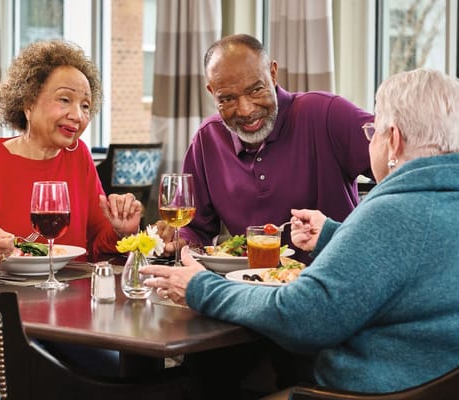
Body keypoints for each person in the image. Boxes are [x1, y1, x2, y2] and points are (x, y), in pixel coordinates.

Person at [142, 68, 459, 395]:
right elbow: (411, 264)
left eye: (374, 130)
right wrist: (333, 235)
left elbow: (302, 320)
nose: (370, 139)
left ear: (393, 140)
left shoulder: (394, 211)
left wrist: (198, 287)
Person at [0, 39, 141, 274]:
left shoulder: (79, 156)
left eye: (85, 106)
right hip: (10, 302)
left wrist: (121, 231)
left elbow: (97, 246)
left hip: (73, 298)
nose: (77, 115)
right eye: (65, 100)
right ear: (28, 104)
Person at [155, 34, 373, 263]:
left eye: (255, 90)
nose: (246, 110)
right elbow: (196, 228)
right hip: (248, 287)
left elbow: (400, 157)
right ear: (212, 92)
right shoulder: (207, 138)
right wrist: (182, 241)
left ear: (273, 73)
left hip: (336, 280)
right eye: (227, 99)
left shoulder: (326, 113)